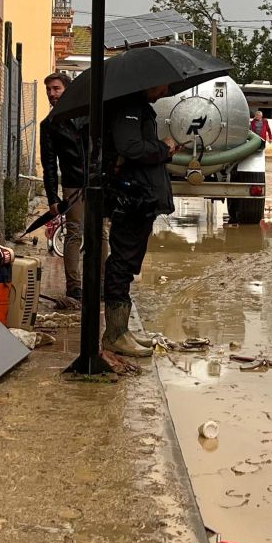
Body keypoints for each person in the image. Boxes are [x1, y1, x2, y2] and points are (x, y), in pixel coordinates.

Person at [103, 83, 178, 358]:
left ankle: (121, 330)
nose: (165, 91)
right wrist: (163, 149)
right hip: (132, 199)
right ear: (147, 81)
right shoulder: (128, 109)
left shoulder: (139, 108)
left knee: (128, 262)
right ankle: (114, 335)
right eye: (162, 86)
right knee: (122, 262)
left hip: (141, 198)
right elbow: (131, 147)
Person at [39, 72, 88, 303]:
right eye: (49, 90)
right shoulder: (49, 125)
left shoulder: (89, 114)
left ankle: (101, 284)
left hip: (98, 182)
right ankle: (74, 287)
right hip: (72, 184)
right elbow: (49, 164)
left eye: (56, 89)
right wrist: (52, 198)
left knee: (102, 233)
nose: (51, 94)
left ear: (67, 90)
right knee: (74, 233)